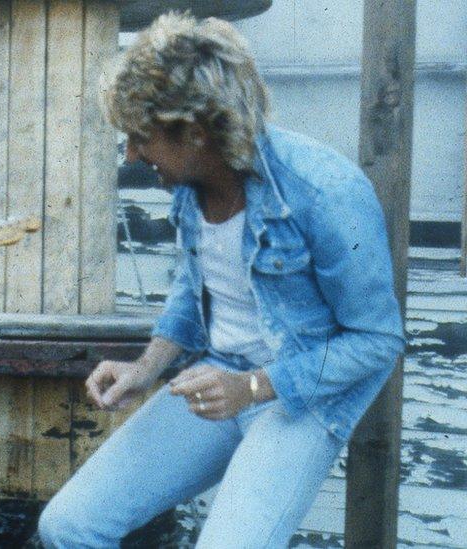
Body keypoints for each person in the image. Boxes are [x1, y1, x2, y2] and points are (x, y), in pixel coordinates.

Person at [37, 12, 404, 548]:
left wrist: (252, 387)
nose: (133, 155)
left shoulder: (325, 191)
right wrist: (147, 368)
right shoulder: (191, 182)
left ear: (195, 131)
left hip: (300, 396)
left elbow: (377, 341)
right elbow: (196, 284)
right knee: (69, 525)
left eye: (141, 138)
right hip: (221, 376)